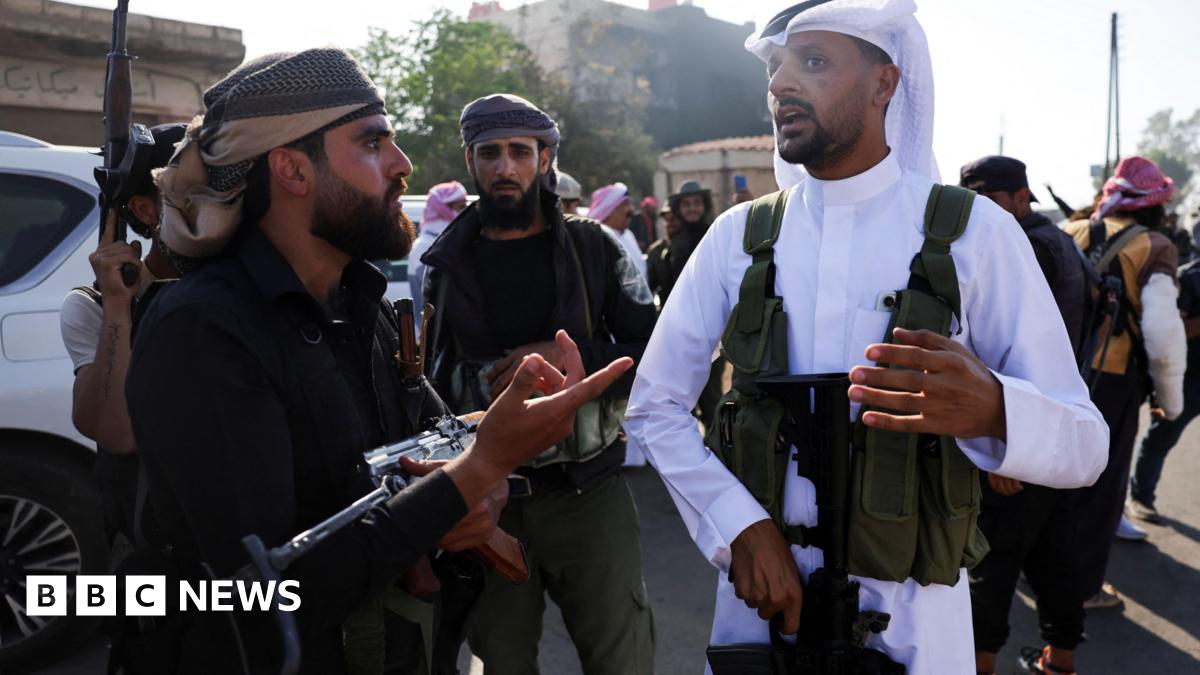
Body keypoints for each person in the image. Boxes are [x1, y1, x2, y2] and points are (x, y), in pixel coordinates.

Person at [623, 2, 1109, 673]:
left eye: (813, 61)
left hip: (916, 625)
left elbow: (1085, 441)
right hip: (762, 610)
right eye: (777, 66)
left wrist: (994, 408)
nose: (781, 84)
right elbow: (654, 408)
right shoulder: (738, 236)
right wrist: (738, 526)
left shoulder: (973, 233)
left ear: (885, 83)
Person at [122, 50, 631, 675]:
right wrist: (477, 472)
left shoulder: (366, 308)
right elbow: (267, 594)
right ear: (291, 169)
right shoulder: (202, 331)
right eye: (371, 143)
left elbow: (434, 448)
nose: (403, 165)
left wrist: (492, 447)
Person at [421, 93, 657, 675]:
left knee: (621, 658)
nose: (505, 168)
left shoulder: (592, 248)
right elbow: (425, 382)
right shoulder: (444, 264)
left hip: (588, 495)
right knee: (500, 662)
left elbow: (655, 349)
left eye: (520, 152)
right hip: (490, 501)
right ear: (470, 161)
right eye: (490, 153)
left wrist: (573, 360)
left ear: (545, 158)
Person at [960, 155, 1091, 675]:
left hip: (1023, 435)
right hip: (1055, 429)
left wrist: (1006, 447)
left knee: (993, 563)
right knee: (1053, 557)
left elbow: (1021, 352)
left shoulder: (1026, 246)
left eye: (988, 200)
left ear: (1020, 197)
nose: (979, 212)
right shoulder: (1057, 241)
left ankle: (979, 665)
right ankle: (1059, 660)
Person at [1064, 155, 1187, 609]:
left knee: (1047, 481)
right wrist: (1169, 403)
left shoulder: (1072, 231)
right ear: (1154, 205)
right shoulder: (1155, 246)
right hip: (1111, 383)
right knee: (1100, 492)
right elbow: (1161, 333)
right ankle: (1083, 592)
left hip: (1053, 374)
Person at [60, 122, 186, 550]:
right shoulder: (94, 305)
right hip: (155, 544)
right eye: (188, 192)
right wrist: (118, 308)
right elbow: (114, 433)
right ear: (146, 210)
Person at [1128, 257, 1200, 523]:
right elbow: (1171, 330)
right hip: (1186, 379)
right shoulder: (1188, 277)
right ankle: (1140, 497)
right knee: (1161, 437)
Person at [408, 180, 468, 322]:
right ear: (441, 209)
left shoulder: (454, 241)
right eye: (460, 207)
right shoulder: (424, 248)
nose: (464, 212)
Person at [590, 182, 649, 281]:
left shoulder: (628, 234)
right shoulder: (598, 238)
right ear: (609, 210)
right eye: (625, 204)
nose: (632, 209)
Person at [645, 201, 681, 308]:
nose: (670, 223)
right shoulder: (656, 250)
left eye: (674, 218)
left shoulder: (694, 246)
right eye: (667, 219)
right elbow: (648, 287)